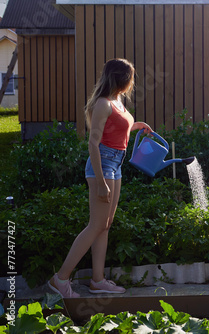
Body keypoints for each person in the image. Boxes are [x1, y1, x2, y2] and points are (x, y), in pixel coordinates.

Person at [48, 58, 152, 297]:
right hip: (102, 165)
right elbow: (93, 143)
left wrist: (136, 126)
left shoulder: (117, 101)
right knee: (96, 225)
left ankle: (97, 280)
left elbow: (115, 129)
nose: (132, 82)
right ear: (123, 79)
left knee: (105, 225)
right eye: (130, 77)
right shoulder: (103, 104)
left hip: (116, 164)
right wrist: (101, 182)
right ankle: (60, 280)